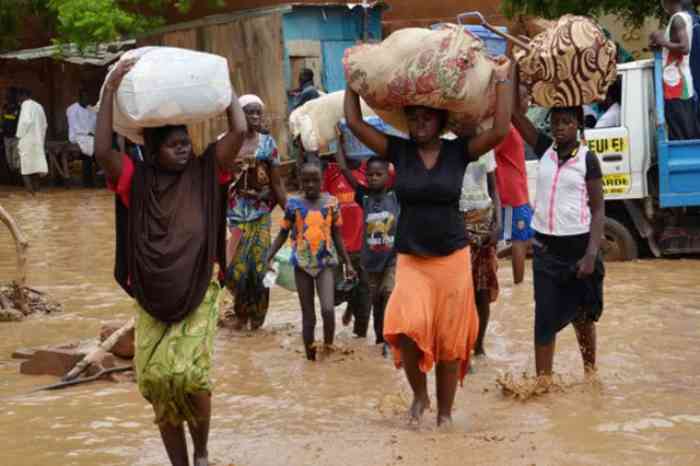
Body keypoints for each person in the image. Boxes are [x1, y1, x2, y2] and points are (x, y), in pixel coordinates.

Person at [344, 56, 513, 426]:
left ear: (441, 121)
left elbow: (500, 130)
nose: (419, 124)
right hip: (411, 258)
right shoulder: (399, 152)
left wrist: (503, 79)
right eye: (414, 118)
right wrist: (353, 80)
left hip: (452, 258)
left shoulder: (459, 151)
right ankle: (420, 398)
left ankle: (446, 415)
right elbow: (354, 123)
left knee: (451, 342)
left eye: (426, 118)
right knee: (405, 325)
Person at [96, 59, 248, 466]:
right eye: (174, 144)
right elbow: (102, 151)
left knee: (191, 377)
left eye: (186, 142)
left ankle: (200, 453)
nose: (184, 148)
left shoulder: (207, 170)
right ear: (152, 150)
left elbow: (239, 131)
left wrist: (225, 86)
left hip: (199, 286)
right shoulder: (136, 180)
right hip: (152, 292)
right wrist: (110, 90)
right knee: (156, 381)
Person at [512, 72, 605, 381]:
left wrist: (592, 254)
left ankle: (590, 373)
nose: (559, 127)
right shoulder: (544, 150)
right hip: (546, 250)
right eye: (555, 121)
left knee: (582, 316)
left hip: (578, 249)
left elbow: (598, 207)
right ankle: (543, 383)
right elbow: (514, 116)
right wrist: (514, 74)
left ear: (577, 124)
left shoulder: (588, 160)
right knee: (544, 317)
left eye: (566, 122)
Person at [266, 162, 356, 361]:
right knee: (308, 316)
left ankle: (328, 347)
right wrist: (269, 255)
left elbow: (337, 236)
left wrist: (347, 263)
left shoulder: (331, 203)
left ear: (322, 181)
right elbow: (283, 233)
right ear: (300, 182)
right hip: (301, 265)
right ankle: (310, 357)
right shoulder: (293, 205)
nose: (310, 185)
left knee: (327, 309)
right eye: (305, 181)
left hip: (325, 265)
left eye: (315, 180)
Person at [224, 94, 287, 331]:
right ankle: (240, 313)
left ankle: (257, 322)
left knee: (260, 271)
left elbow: (277, 183)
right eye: (249, 112)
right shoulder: (226, 142)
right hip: (234, 218)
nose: (255, 116)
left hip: (260, 216)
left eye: (258, 112)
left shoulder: (267, 143)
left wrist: (292, 215)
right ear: (239, 116)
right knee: (236, 271)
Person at [335, 145, 399, 355]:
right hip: (370, 263)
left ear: (387, 175)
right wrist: (339, 142)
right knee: (377, 302)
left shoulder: (395, 196)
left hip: (391, 260)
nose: (372, 178)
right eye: (369, 174)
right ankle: (380, 337)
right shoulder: (364, 197)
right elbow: (344, 170)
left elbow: (403, 169)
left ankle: (389, 340)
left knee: (389, 294)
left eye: (378, 174)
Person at [322, 148, 371, 339]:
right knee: (332, 296)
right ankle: (351, 299)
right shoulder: (330, 172)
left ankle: (361, 337)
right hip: (336, 248)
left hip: (363, 248)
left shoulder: (370, 170)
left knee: (365, 296)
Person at [459, 148, 501, 357]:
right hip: (458, 222)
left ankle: (479, 344)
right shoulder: (447, 145)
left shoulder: (487, 150)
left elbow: (494, 190)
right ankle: (463, 346)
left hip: (485, 221)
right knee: (460, 291)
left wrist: (499, 224)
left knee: (483, 289)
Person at [650, 0, 700, 140]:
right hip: (677, 85)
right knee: (684, 130)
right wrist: (660, 44)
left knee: (681, 134)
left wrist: (663, 42)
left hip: (676, 86)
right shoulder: (683, 17)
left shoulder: (678, 18)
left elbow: (685, 47)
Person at [495, 123, 533, 285]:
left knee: (527, 238)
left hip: (519, 191)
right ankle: (519, 285)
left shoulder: (511, 128)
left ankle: (498, 254)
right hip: (512, 194)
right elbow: (487, 154)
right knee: (519, 239)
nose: (527, 102)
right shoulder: (506, 130)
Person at [16, 88, 48, 195]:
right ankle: (37, 193)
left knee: (25, 170)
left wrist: (18, 136)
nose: (18, 99)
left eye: (18, 96)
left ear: (23, 95)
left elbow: (25, 122)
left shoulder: (26, 104)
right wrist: (41, 138)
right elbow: (45, 125)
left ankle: (30, 195)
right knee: (35, 169)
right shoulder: (39, 106)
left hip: (27, 140)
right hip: (38, 141)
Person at [67, 88, 98, 187]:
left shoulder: (90, 109)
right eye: (85, 98)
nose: (87, 100)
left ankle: (95, 175)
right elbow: (74, 126)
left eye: (88, 98)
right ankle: (89, 180)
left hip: (89, 135)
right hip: (77, 136)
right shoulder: (72, 109)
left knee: (100, 143)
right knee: (90, 149)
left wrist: (93, 132)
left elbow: (95, 123)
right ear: (80, 98)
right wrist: (88, 132)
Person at [2, 87, 21, 174]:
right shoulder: (5, 107)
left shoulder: (19, 107)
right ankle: (14, 174)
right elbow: (3, 118)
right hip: (6, 136)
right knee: (9, 158)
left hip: (15, 136)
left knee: (15, 158)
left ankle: (18, 176)